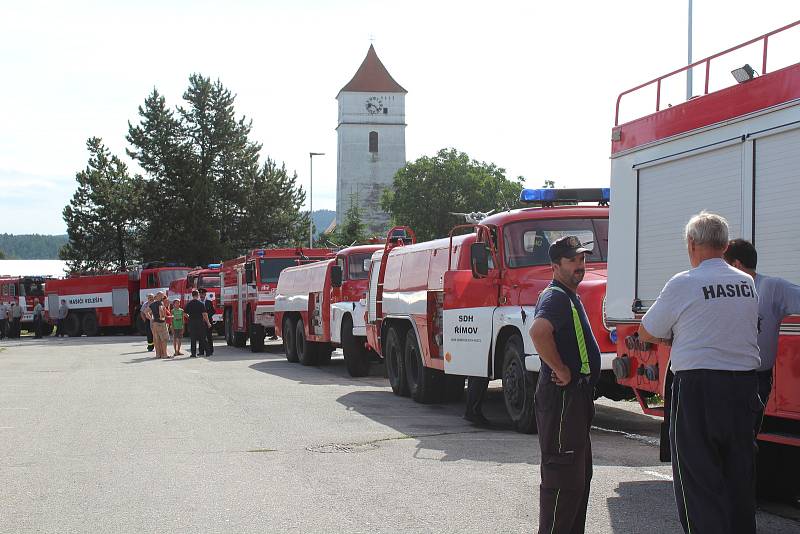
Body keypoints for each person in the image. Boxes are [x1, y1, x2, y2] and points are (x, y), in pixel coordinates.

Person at [638, 212, 760, 534]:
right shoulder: (746, 282)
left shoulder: (684, 282)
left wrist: (673, 335)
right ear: (724, 245)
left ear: (692, 244)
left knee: (698, 482)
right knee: (738, 479)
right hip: (744, 387)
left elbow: (648, 330)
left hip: (698, 389)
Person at [529, 235, 601, 534]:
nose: (580, 266)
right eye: (573, 260)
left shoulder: (569, 294)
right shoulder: (556, 297)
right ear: (555, 266)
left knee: (577, 479)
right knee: (562, 482)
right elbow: (538, 331)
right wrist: (561, 368)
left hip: (575, 400)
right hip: (562, 400)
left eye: (582, 259)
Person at [724, 238, 800, 435]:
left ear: (737, 265)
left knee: (744, 439)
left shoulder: (770, 287)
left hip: (756, 379)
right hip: (723, 376)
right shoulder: (721, 292)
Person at [185, 290, 211, 358]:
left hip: (192, 322)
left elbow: (184, 313)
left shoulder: (189, 303)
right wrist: (208, 323)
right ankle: (208, 352)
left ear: (192, 295)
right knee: (202, 337)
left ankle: (193, 353)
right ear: (198, 295)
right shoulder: (201, 304)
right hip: (200, 322)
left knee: (193, 338)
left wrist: (189, 317)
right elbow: (204, 314)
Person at [149, 292, 169, 359]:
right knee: (164, 339)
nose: (162, 297)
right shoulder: (160, 303)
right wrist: (161, 316)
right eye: (162, 295)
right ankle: (165, 354)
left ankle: (158, 354)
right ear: (160, 296)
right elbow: (160, 309)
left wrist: (151, 319)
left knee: (157, 339)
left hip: (155, 323)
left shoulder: (152, 304)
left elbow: (146, 312)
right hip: (161, 323)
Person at [199, 288, 215, 356]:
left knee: (209, 337)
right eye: (200, 294)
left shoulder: (209, 302)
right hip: (200, 322)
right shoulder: (198, 302)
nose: (202, 295)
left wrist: (207, 316)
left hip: (208, 322)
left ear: (205, 294)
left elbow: (213, 311)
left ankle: (210, 350)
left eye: (203, 294)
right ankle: (201, 351)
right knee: (201, 337)